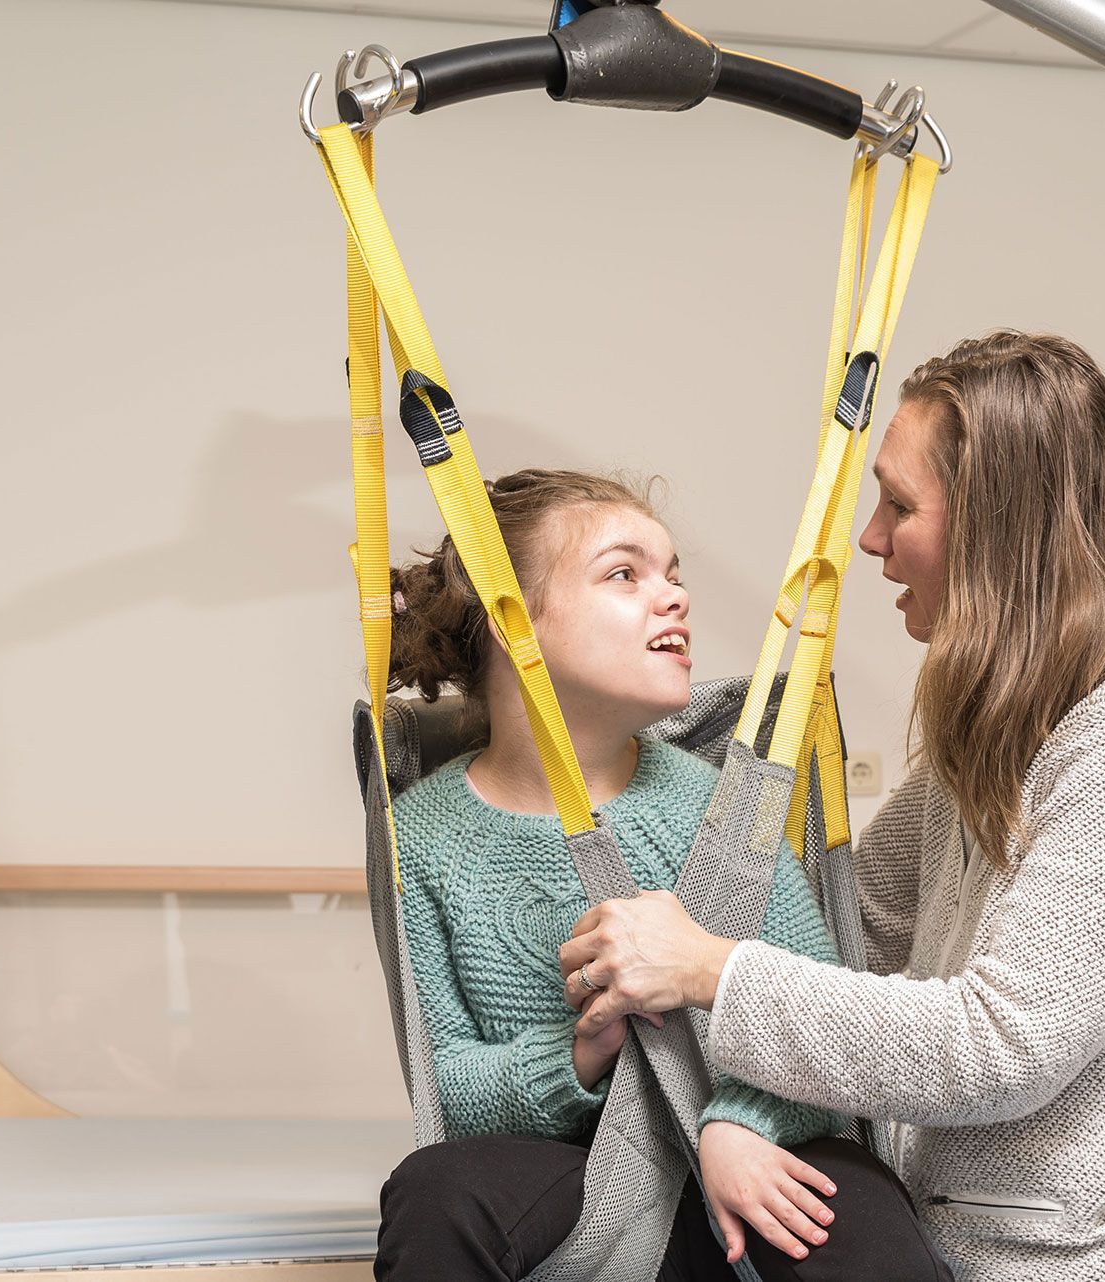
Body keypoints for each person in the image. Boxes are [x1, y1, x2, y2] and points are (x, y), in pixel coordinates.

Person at [560, 331, 1105, 1282]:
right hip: (965, 1252)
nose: (870, 538)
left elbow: (998, 1048)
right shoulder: (996, 732)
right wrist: (611, 762)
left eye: (900, 506)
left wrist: (707, 970)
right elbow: (842, 927)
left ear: (1000, 530)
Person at [374, 468, 952, 1281]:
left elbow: (826, 1020)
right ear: (512, 622)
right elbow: (450, 1085)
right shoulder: (423, 838)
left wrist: (739, 1124)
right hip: (568, 1184)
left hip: (739, 1163)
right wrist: (579, 1052)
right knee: (433, 1193)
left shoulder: (726, 805)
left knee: (859, 1218)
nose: (673, 597)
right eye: (624, 574)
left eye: (674, 575)